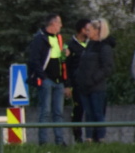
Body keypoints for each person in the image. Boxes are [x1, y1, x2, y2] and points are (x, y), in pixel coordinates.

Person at [27, 14, 69, 146]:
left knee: (58, 113)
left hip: (59, 81)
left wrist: (65, 54)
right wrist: (42, 77)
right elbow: (34, 60)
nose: (61, 25)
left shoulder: (59, 38)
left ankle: (60, 141)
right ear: (53, 24)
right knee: (45, 112)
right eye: (59, 23)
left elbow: (61, 60)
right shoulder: (40, 39)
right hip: (47, 80)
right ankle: (43, 142)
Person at [71, 19, 115, 143]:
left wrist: (93, 79)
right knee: (88, 114)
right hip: (84, 86)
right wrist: (79, 77)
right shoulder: (89, 46)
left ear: (97, 31)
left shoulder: (104, 47)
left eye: (89, 30)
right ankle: (89, 138)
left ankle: (100, 138)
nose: (87, 32)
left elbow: (107, 68)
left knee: (98, 113)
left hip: (97, 87)